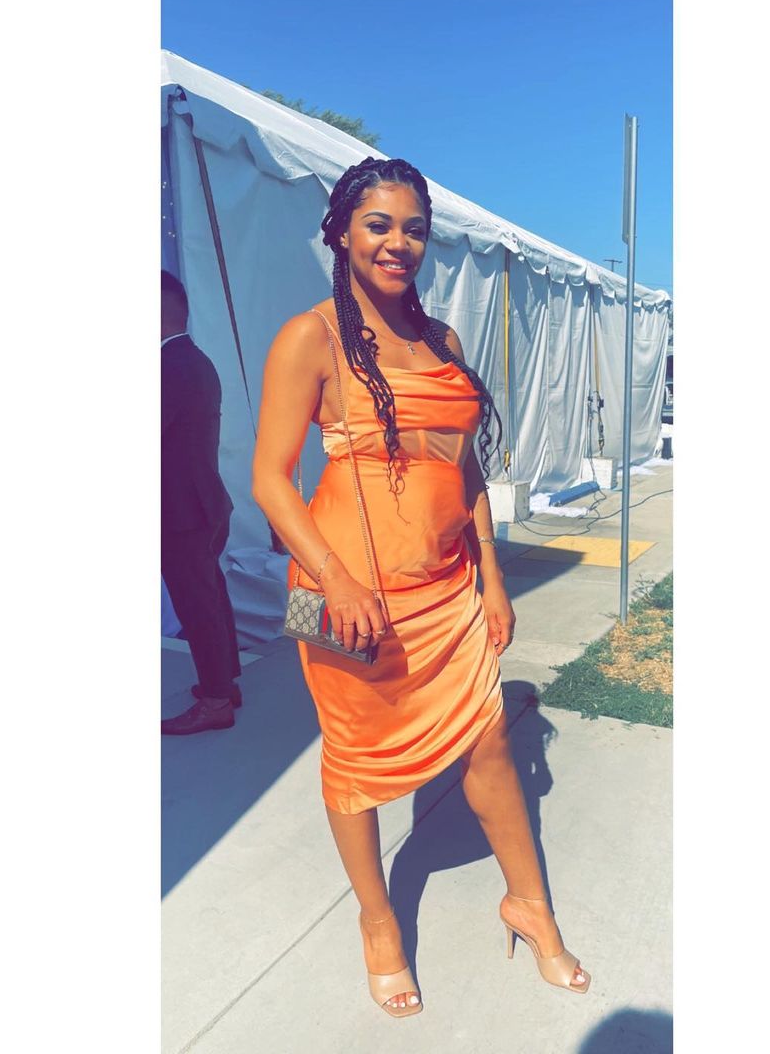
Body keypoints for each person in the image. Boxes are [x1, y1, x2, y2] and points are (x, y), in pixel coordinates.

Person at [251, 158, 589, 1016]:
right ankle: (378, 922)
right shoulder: (309, 337)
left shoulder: (443, 343)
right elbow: (270, 480)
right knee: (354, 760)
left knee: (491, 746)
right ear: (341, 233)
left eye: (413, 229)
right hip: (333, 592)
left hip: (446, 591)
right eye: (378, 224)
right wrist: (337, 580)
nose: (398, 242)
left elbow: (463, 471)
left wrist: (493, 576)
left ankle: (530, 905)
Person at [161, 270, 243, 735]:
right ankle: (224, 683)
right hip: (203, 502)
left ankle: (216, 700)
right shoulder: (194, 359)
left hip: (181, 511)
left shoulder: (168, 366)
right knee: (210, 596)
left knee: (197, 604)